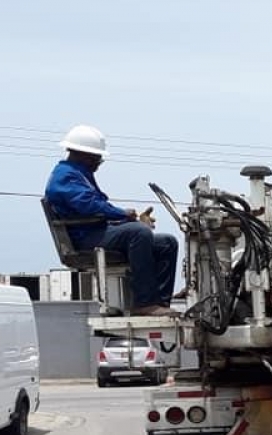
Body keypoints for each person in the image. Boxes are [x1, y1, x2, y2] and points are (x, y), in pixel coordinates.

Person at [45, 124, 179, 318]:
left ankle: (159, 304)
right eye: (97, 157)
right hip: (86, 238)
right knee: (138, 233)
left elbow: (94, 211)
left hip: (97, 231)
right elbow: (91, 207)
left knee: (167, 243)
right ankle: (145, 303)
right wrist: (125, 216)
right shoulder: (65, 178)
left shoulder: (78, 174)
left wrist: (130, 221)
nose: (99, 162)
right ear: (85, 154)